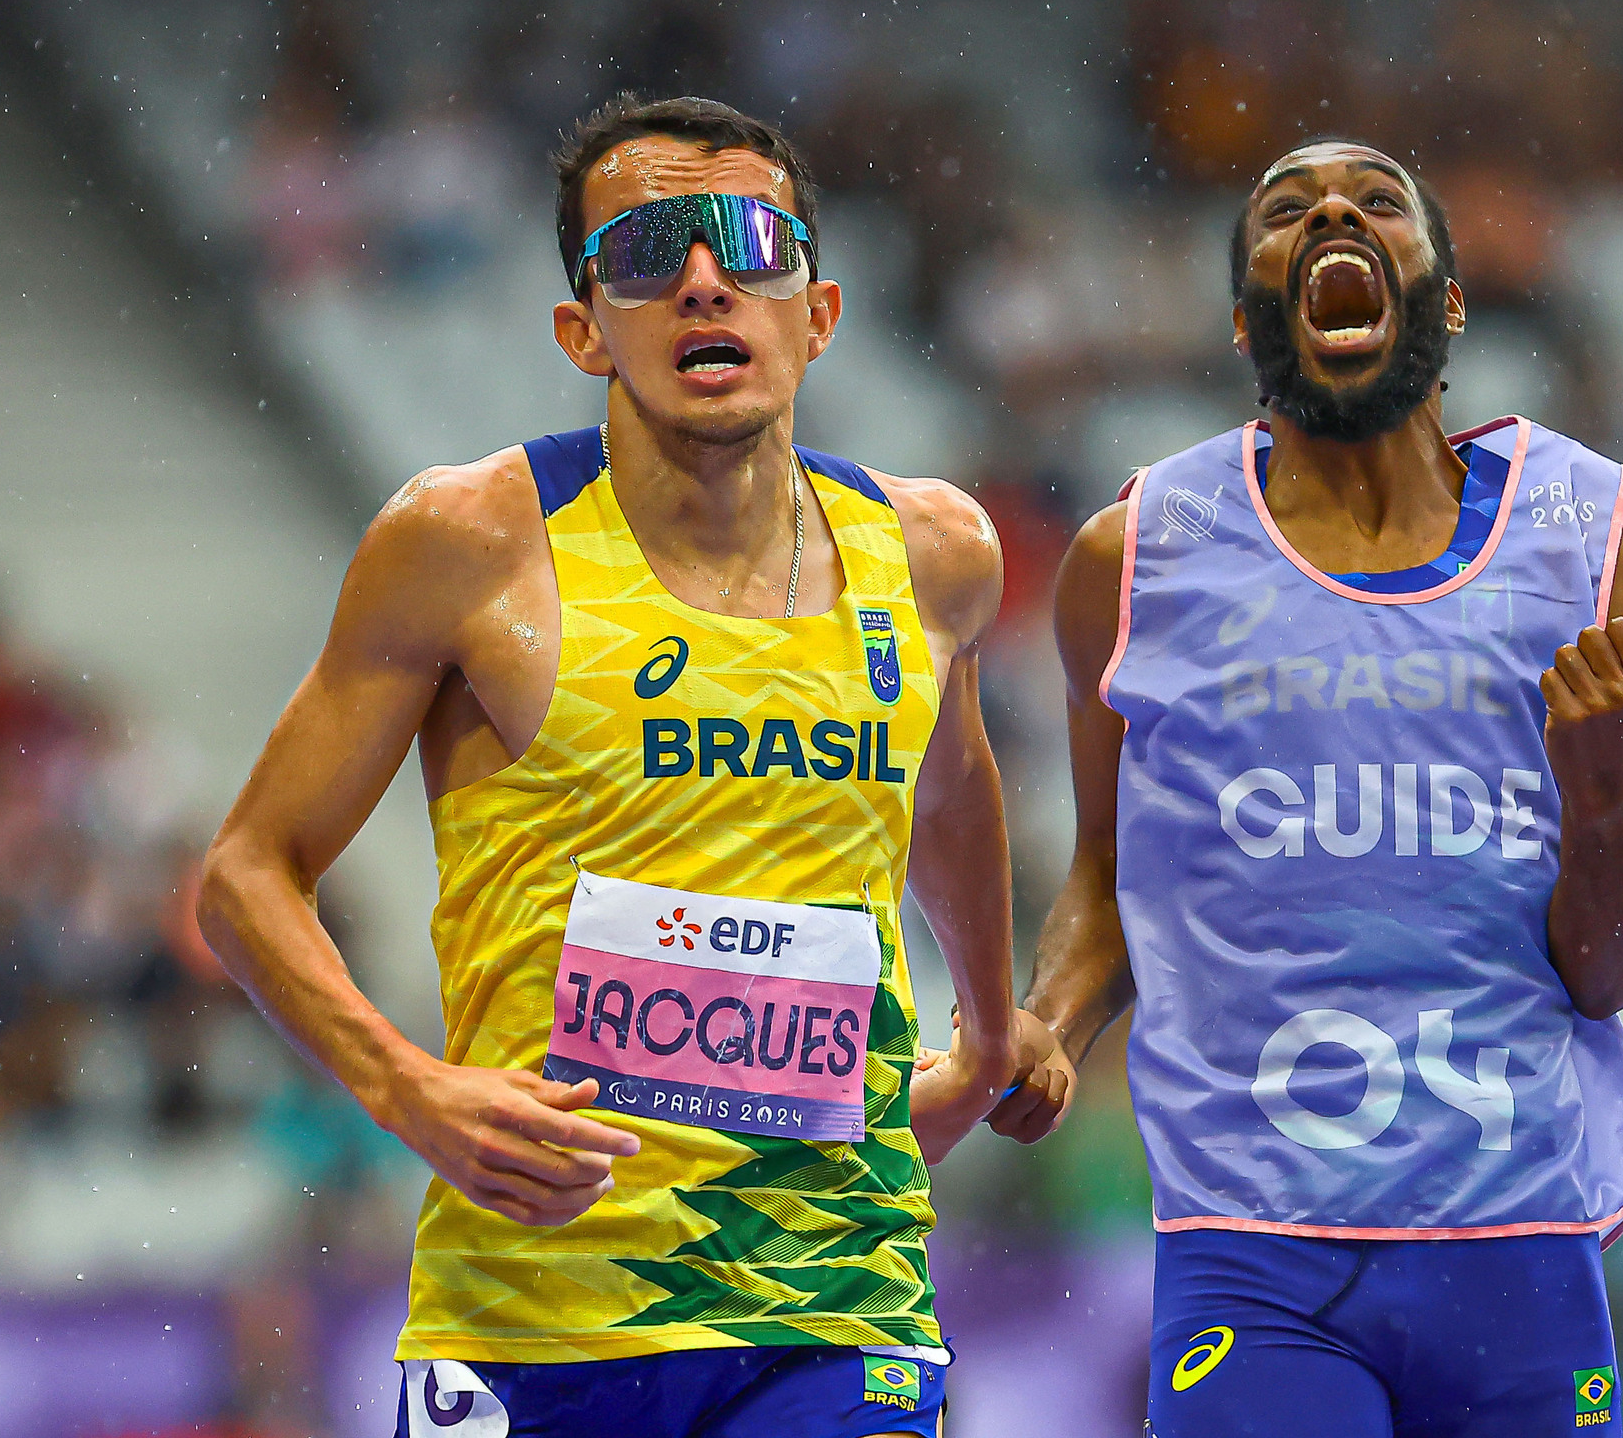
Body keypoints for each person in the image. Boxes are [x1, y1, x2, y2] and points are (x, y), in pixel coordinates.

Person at [200, 94, 1051, 1438]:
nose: (705, 281)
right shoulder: (469, 542)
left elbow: (949, 788)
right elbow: (247, 872)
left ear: (817, 313)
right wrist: (408, 1089)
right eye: (649, 253)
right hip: (531, 1316)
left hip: (833, 1301)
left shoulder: (930, 554)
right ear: (583, 327)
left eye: (749, 246)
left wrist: (992, 1037)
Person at [996, 139, 1623, 1435]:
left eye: (1377, 202)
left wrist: (1600, 791)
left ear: (1444, 301)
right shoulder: (1135, 560)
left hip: (1514, 1240)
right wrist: (1046, 1020)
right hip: (1256, 1244)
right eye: (1286, 211)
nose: (1332, 208)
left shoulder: (1597, 563)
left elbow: (1605, 974)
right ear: (1242, 318)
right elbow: (1107, 873)